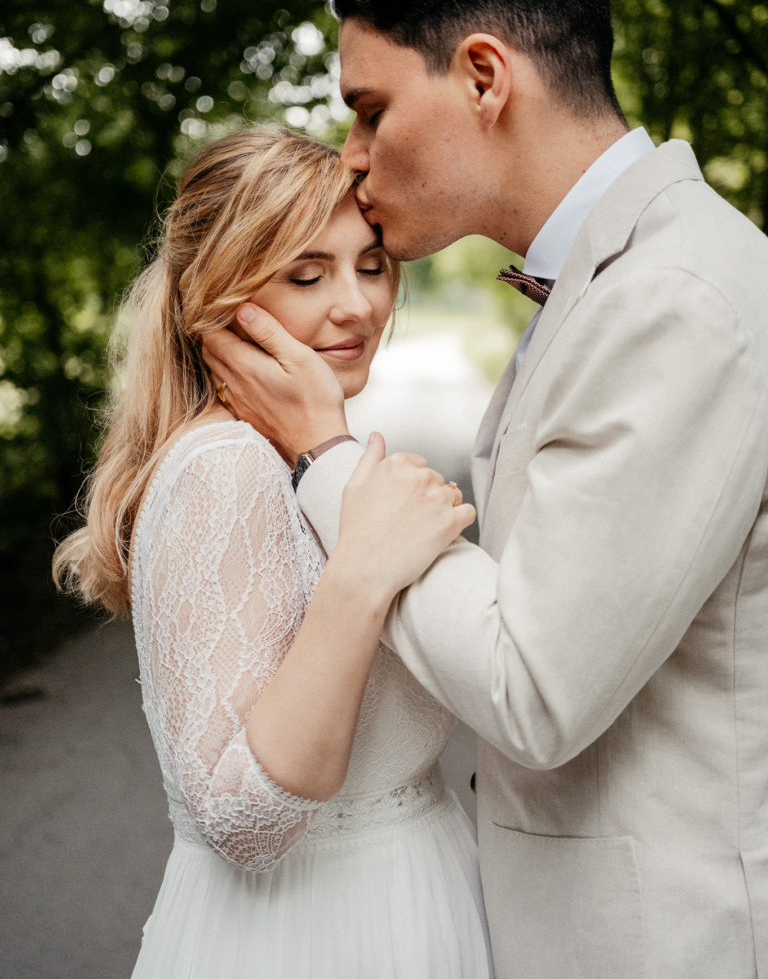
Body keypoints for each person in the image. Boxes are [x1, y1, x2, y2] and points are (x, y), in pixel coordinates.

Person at [203, 0, 768, 979]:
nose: (354, 156)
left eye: (369, 109)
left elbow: (533, 687)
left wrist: (324, 459)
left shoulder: (679, 296)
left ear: (481, 76)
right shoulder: (621, 277)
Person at [53, 125, 493, 979]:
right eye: (307, 274)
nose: (359, 305)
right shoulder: (227, 467)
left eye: (371, 265)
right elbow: (242, 820)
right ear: (220, 291)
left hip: (415, 896)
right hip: (316, 935)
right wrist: (365, 573)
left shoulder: (299, 455)